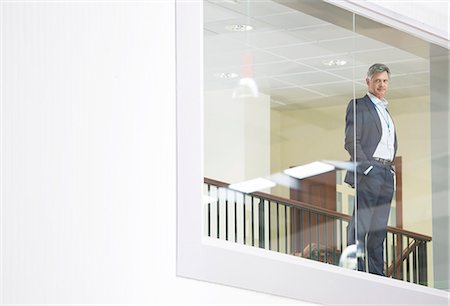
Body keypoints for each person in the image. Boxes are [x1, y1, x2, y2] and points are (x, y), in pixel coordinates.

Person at [344, 63, 397, 276]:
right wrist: (367, 169)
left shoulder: (385, 110)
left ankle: (376, 274)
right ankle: (355, 270)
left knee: (379, 228)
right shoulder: (359, 105)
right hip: (371, 170)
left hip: (386, 173)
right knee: (361, 223)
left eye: (384, 81)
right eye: (377, 81)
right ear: (368, 82)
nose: (381, 84)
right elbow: (351, 141)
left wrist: (389, 170)